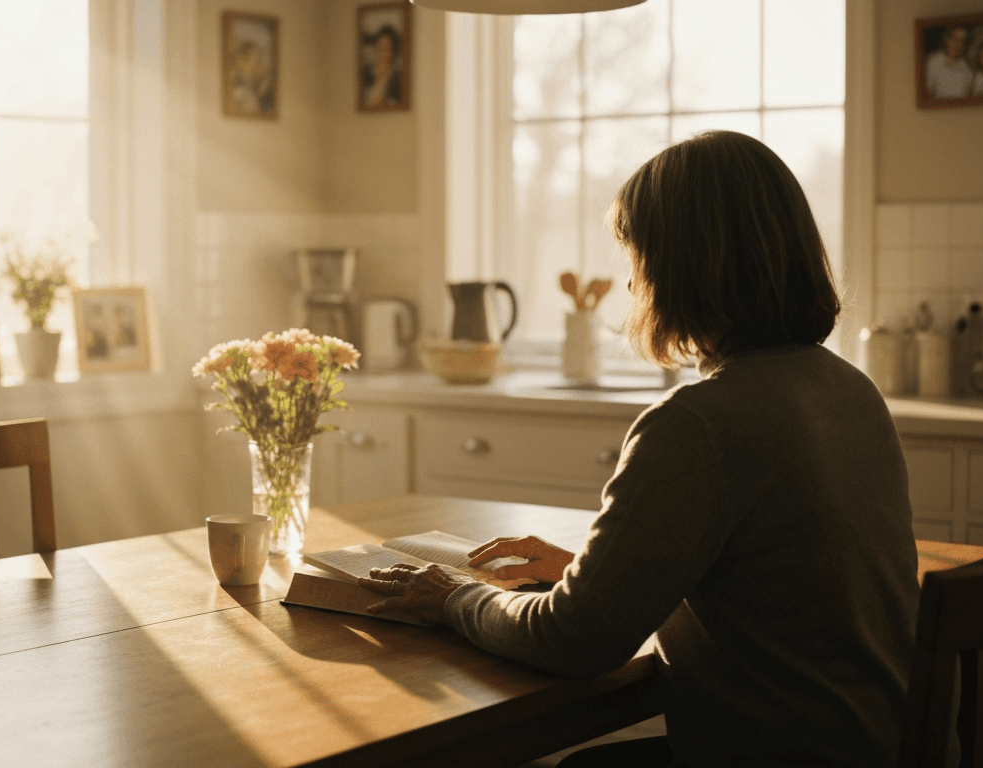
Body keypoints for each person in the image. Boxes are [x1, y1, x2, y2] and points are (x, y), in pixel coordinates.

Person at [359, 131, 920, 767]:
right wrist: (597, 573)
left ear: (681, 266)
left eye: (637, 257)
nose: (630, 284)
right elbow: (770, 584)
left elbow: (572, 642)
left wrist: (453, 598)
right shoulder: (850, 390)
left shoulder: (698, 424)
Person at [360, 25, 404, 109]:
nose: (382, 54)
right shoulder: (367, 76)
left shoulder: (397, 79)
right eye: (379, 48)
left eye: (386, 49)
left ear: (393, 53)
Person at [926, 25, 973, 98]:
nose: (957, 44)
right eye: (955, 39)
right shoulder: (933, 60)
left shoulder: (967, 70)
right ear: (947, 39)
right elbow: (927, 92)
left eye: (962, 41)